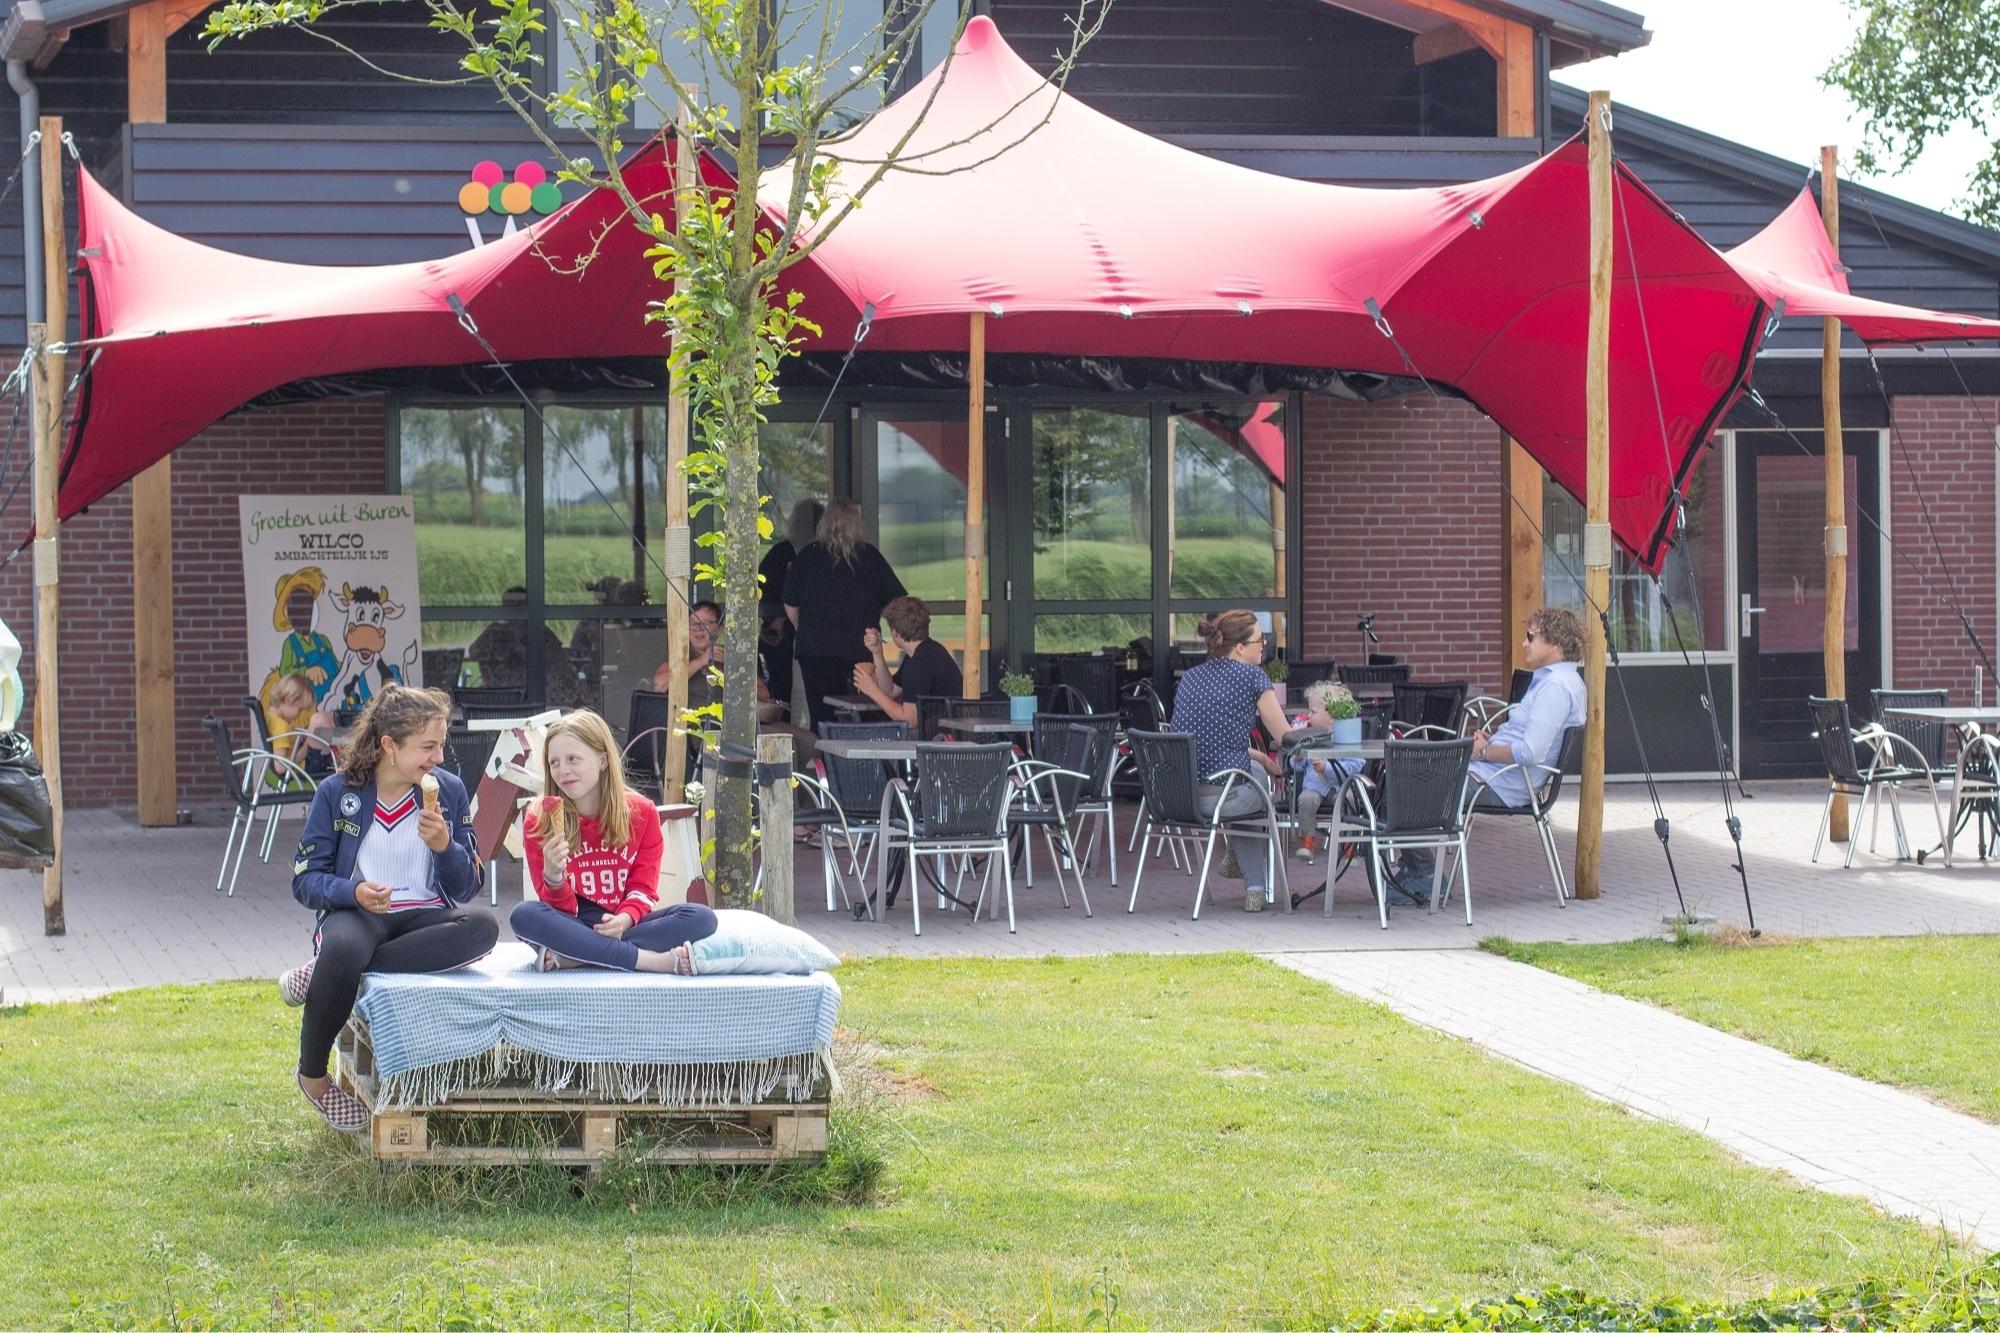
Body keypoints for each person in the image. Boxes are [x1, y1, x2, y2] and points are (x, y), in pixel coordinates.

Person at [279, 684, 497, 1131]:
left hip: (425, 917)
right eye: (427, 747)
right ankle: (314, 1077)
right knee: (344, 942)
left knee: (483, 927)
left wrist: (445, 847)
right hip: (361, 913)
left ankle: (328, 967)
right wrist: (352, 893)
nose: (438, 757)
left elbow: (467, 887)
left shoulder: (449, 792)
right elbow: (305, 881)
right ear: (389, 746)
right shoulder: (338, 793)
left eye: (441, 745)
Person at [509, 710, 719, 973]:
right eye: (555, 762)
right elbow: (558, 910)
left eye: (573, 759)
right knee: (524, 915)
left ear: (603, 761)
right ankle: (652, 961)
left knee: (701, 918)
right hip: (572, 921)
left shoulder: (642, 813)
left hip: (623, 923)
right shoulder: (540, 819)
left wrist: (624, 919)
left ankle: (576, 956)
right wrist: (553, 878)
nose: (563, 771)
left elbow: (643, 889)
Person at [1395, 606, 1588, 890]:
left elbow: (1530, 752)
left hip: (1501, 784)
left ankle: (1422, 877)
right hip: (1493, 774)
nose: (1524, 643)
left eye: (1531, 637)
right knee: (1401, 776)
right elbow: (1526, 738)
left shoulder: (1556, 688)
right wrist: (1490, 741)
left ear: (1556, 645)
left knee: (1406, 787)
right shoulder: (1554, 681)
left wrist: (1484, 751)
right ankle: (1416, 873)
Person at [1168, 610, 1293, 911]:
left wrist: (1260, 756)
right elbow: (1285, 736)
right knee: (1260, 787)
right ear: (1240, 647)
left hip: (1181, 797)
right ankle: (1254, 886)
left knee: (1252, 773)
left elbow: (1202, 740)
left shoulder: (1191, 677)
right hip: (1225, 798)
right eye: (1260, 639)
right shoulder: (1252, 676)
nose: (1265, 644)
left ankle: (1246, 875)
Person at [783, 498, 906, 733]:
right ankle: (854, 765)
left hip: (815, 652)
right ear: (856, 524)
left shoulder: (808, 556)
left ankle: (823, 765)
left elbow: (789, 603)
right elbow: (897, 600)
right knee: (860, 715)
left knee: (821, 719)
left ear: (824, 524)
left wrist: (804, 627)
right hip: (858, 652)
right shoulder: (869, 557)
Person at [851, 596, 962, 731]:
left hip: (938, 742)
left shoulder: (919, 665)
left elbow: (909, 721)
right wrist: (877, 652)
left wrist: (871, 690)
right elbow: (890, 691)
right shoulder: (925, 651)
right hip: (942, 736)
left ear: (896, 633)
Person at [758, 499, 822, 716]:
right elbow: (762, 590)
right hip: (782, 635)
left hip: (806, 635)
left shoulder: (812, 553)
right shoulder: (784, 553)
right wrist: (777, 618)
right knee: (783, 689)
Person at [1291, 679, 1362, 862]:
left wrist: (1327, 768)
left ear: (1330, 715)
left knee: (1351, 800)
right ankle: (1307, 840)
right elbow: (1296, 766)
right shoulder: (1308, 735)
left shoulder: (1347, 736)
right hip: (1314, 787)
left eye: (1313, 712)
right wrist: (1297, 758)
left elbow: (1355, 765)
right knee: (1305, 800)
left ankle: (1348, 844)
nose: (1309, 715)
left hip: (1340, 787)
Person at [264, 671, 336, 780]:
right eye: (300, 709)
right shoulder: (281, 727)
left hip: (302, 754)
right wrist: (306, 746)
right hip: (305, 765)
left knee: (321, 720)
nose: (300, 714)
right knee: (321, 718)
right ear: (289, 700)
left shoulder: (270, 716)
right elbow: (280, 767)